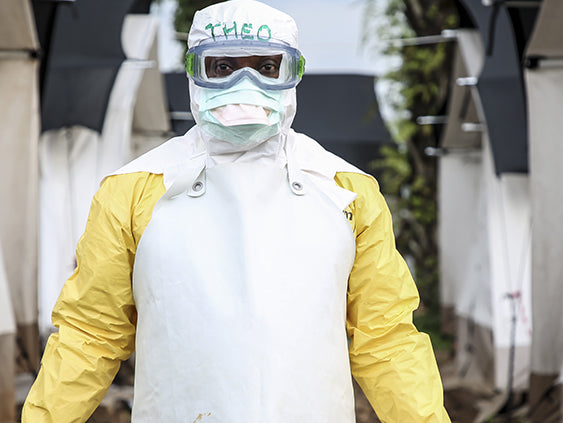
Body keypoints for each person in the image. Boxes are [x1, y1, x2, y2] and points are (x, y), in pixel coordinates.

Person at [22, 1, 451, 421]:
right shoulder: (132, 190)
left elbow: (386, 340)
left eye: (266, 68)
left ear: (293, 73)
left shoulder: (347, 192)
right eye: (223, 68)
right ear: (195, 71)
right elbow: (90, 334)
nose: (244, 85)